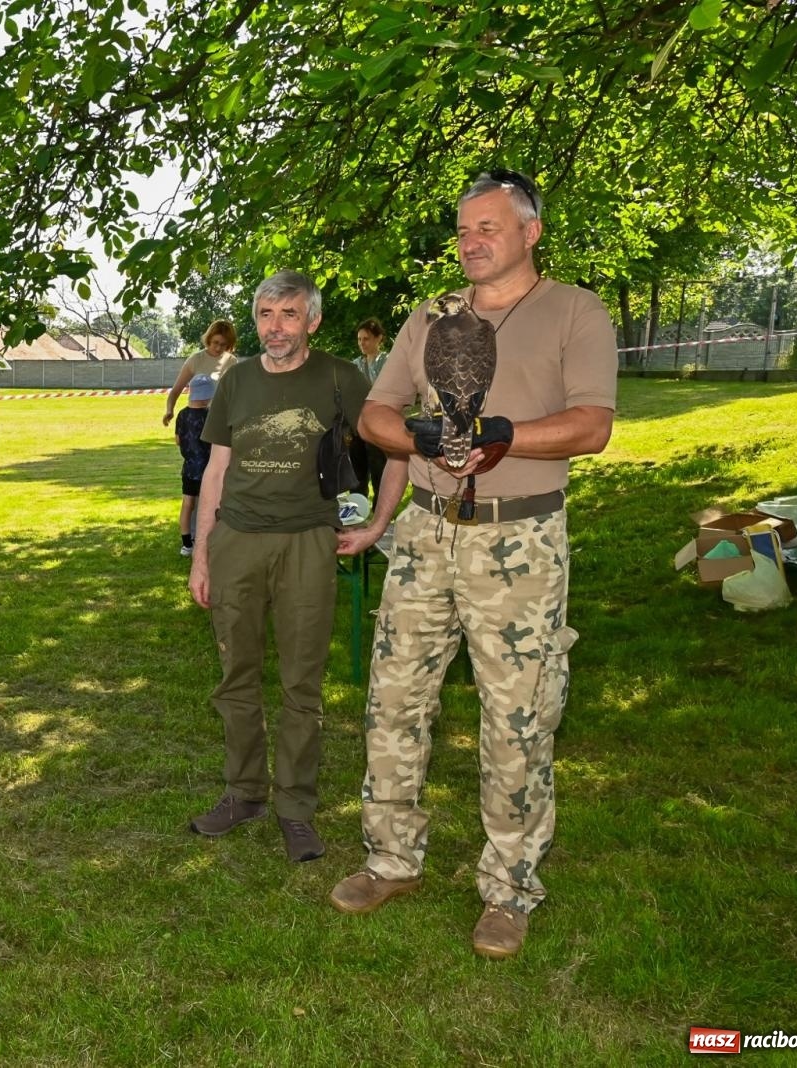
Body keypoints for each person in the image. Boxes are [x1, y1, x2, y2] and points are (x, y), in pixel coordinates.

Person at [329, 169, 617, 960]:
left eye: (488, 227)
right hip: (425, 533)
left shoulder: (574, 310)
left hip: (518, 540)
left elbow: (592, 426)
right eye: (462, 231)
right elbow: (375, 413)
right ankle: (391, 858)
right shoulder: (431, 317)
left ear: (531, 231)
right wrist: (420, 437)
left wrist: (500, 437)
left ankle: (510, 889)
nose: (471, 242)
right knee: (394, 699)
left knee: (517, 718)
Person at [187, 271, 405, 864]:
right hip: (237, 542)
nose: (274, 327)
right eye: (264, 314)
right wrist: (202, 554)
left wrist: (378, 524)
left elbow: (394, 449)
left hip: (310, 543)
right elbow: (215, 470)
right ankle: (244, 793)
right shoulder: (237, 380)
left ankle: (296, 809)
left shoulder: (341, 378)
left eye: (287, 315)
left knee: (301, 685)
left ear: (312, 321)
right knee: (237, 679)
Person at [163, 320, 238, 556]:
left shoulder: (231, 362)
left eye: (224, 345)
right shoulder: (195, 360)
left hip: (219, 426)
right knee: (196, 489)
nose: (218, 348)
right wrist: (169, 409)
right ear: (208, 339)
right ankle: (192, 538)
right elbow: (175, 390)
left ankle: (217, 535)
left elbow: (235, 396)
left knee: (218, 484)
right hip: (196, 426)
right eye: (215, 343)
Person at [352, 320, 390, 502]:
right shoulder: (355, 364)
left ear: (378, 338)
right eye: (359, 339)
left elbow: (385, 391)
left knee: (378, 467)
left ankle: (379, 510)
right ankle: (356, 511)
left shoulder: (387, 362)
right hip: (357, 423)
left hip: (379, 423)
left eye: (366, 339)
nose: (362, 343)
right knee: (357, 469)